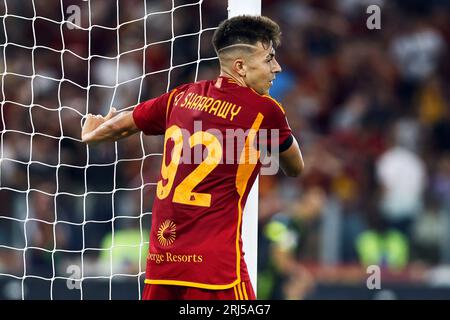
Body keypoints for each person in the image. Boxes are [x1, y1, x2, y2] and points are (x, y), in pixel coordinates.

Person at [81, 15, 304, 300]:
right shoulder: (266, 110)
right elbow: (295, 167)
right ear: (241, 66)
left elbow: (124, 122)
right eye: (269, 59)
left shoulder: (180, 96)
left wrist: (93, 134)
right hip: (215, 269)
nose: (277, 67)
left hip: (163, 262)